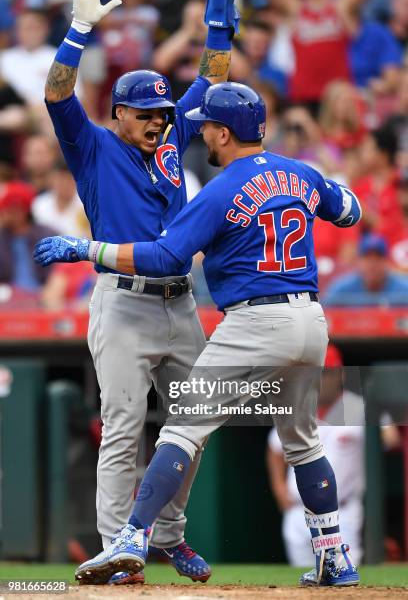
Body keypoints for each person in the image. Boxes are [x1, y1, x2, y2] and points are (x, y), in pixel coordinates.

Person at [35, 80, 362, 587]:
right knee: (304, 443)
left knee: (181, 429)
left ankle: (133, 535)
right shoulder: (301, 173)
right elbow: (349, 211)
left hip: (255, 323)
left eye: (209, 124)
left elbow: (167, 256)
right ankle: (333, 555)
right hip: (311, 322)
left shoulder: (222, 190)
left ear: (226, 133)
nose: (199, 131)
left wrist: (89, 250)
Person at [40, 0, 239, 586]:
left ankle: (168, 534)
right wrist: (77, 32)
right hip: (122, 300)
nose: (159, 121)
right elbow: (57, 93)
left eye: (165, 113)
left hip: (180, 302)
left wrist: (219, 21)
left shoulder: (173, 141)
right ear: (120, 113)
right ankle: (115, 548)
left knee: (195, 421)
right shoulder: (93, 144)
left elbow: (213, 75)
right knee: (123, 425)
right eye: (147, 113)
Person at [267, 344, 365, 567]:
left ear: (341, 374)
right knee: (303, 583)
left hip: (343, 511)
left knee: (342, 578)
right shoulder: (297, 408)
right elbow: (274, 448)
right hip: (298, 510)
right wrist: (280, 490)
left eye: (327, 373)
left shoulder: (358, 408)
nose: (321, 380)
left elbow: (389, 441)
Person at [323, 233, 408, 306]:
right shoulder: (342, 289)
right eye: (367, 258)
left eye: (378, 258)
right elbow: (325, 316)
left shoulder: (404, 289)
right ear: (358, 261)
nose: (373, 264)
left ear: (387, 261)